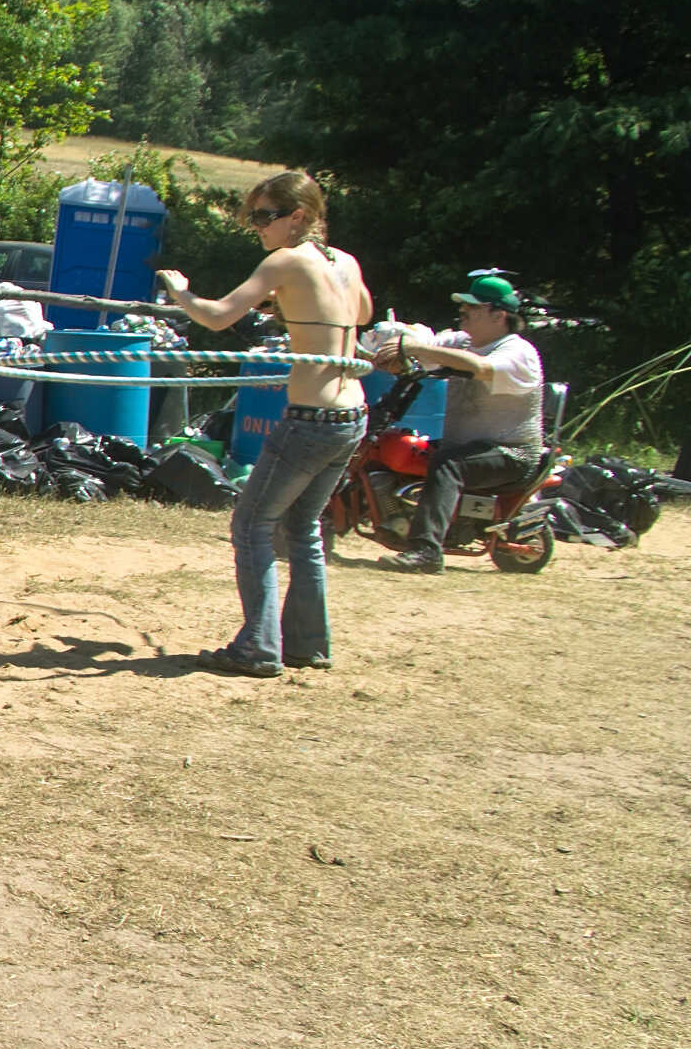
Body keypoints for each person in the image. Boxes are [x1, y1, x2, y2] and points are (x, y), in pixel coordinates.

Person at [159, 170, 374, 677]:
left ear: (298, 216)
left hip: (312, 418)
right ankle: (307, 643)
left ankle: (257, 647)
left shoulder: (286, 260)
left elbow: (216, 317)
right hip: (352, 415)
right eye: (252, 217)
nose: (256, 226)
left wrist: (180, 292)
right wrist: (292, 303)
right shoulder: (345, 261)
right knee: (302, 527)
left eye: (264, 216)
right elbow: (361, 312)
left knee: (251, 524)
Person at [379, 272, 549, 573]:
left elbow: (480, 367)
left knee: (448, 464)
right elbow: (423, 340)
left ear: (499, 315)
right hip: (466, 446)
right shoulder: (462, 341)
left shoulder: (518, 352)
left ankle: (426, 552)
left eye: (473, 306)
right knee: (397, 445)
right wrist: (399, 343)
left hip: (512, 453)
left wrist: (416, 350)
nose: (463, 310)